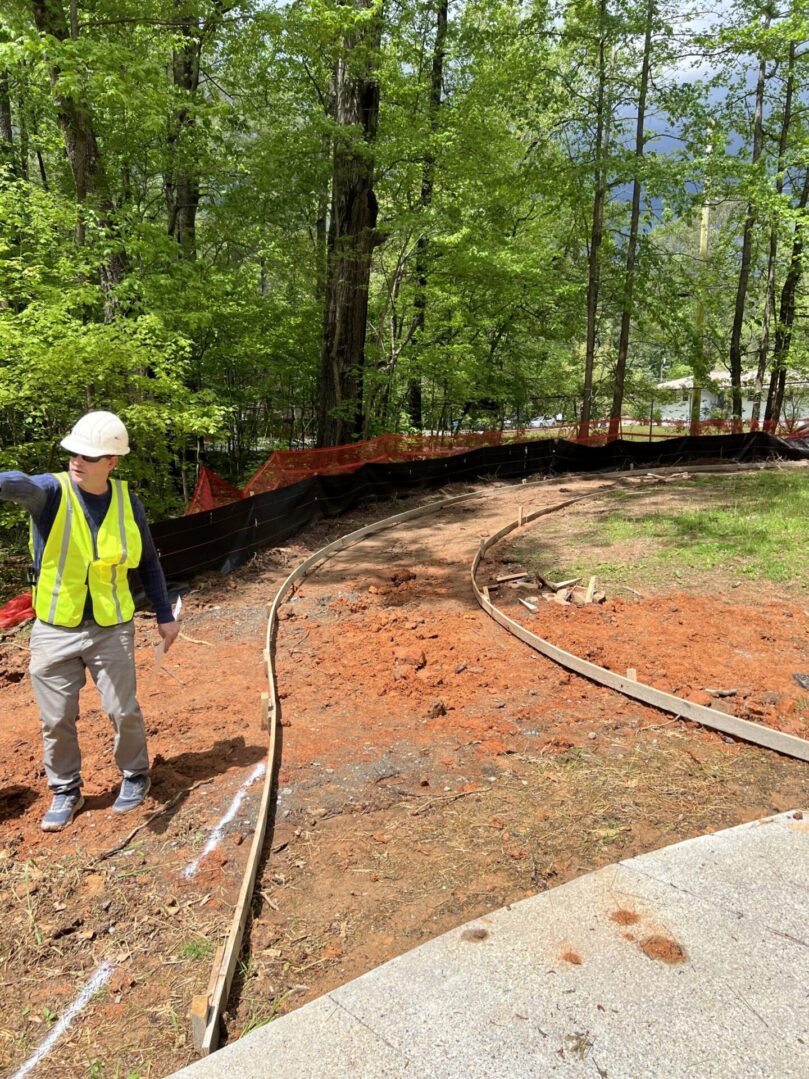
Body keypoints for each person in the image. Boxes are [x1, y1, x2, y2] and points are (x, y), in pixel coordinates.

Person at [0, 411, 180, 831]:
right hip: (54, 628)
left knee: (123, 710)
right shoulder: (49, 492)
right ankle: (66, 791)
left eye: (90, 455)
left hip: (111, 627)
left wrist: (165, 615)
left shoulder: (125, 502)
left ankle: (135, 775)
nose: (77, 460)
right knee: (56, 718)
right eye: (74, 452)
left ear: (112, 461)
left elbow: (149, 562)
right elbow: (16, 483)